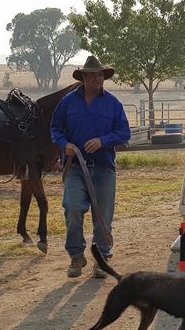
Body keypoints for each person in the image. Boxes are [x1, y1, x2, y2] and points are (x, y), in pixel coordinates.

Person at [51, 55, 131, 278]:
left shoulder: (113, 103)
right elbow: (55, 129)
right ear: (83, 78)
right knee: (73, 207)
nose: (98, 78)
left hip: (104, 167)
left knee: (103, 217)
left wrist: (103, 141)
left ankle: (102, 258)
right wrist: (64, 144)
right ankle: (76, 256)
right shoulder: (67, 102)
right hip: (76, 166)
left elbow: (125, 133)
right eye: (93, 75)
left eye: (100, 75)